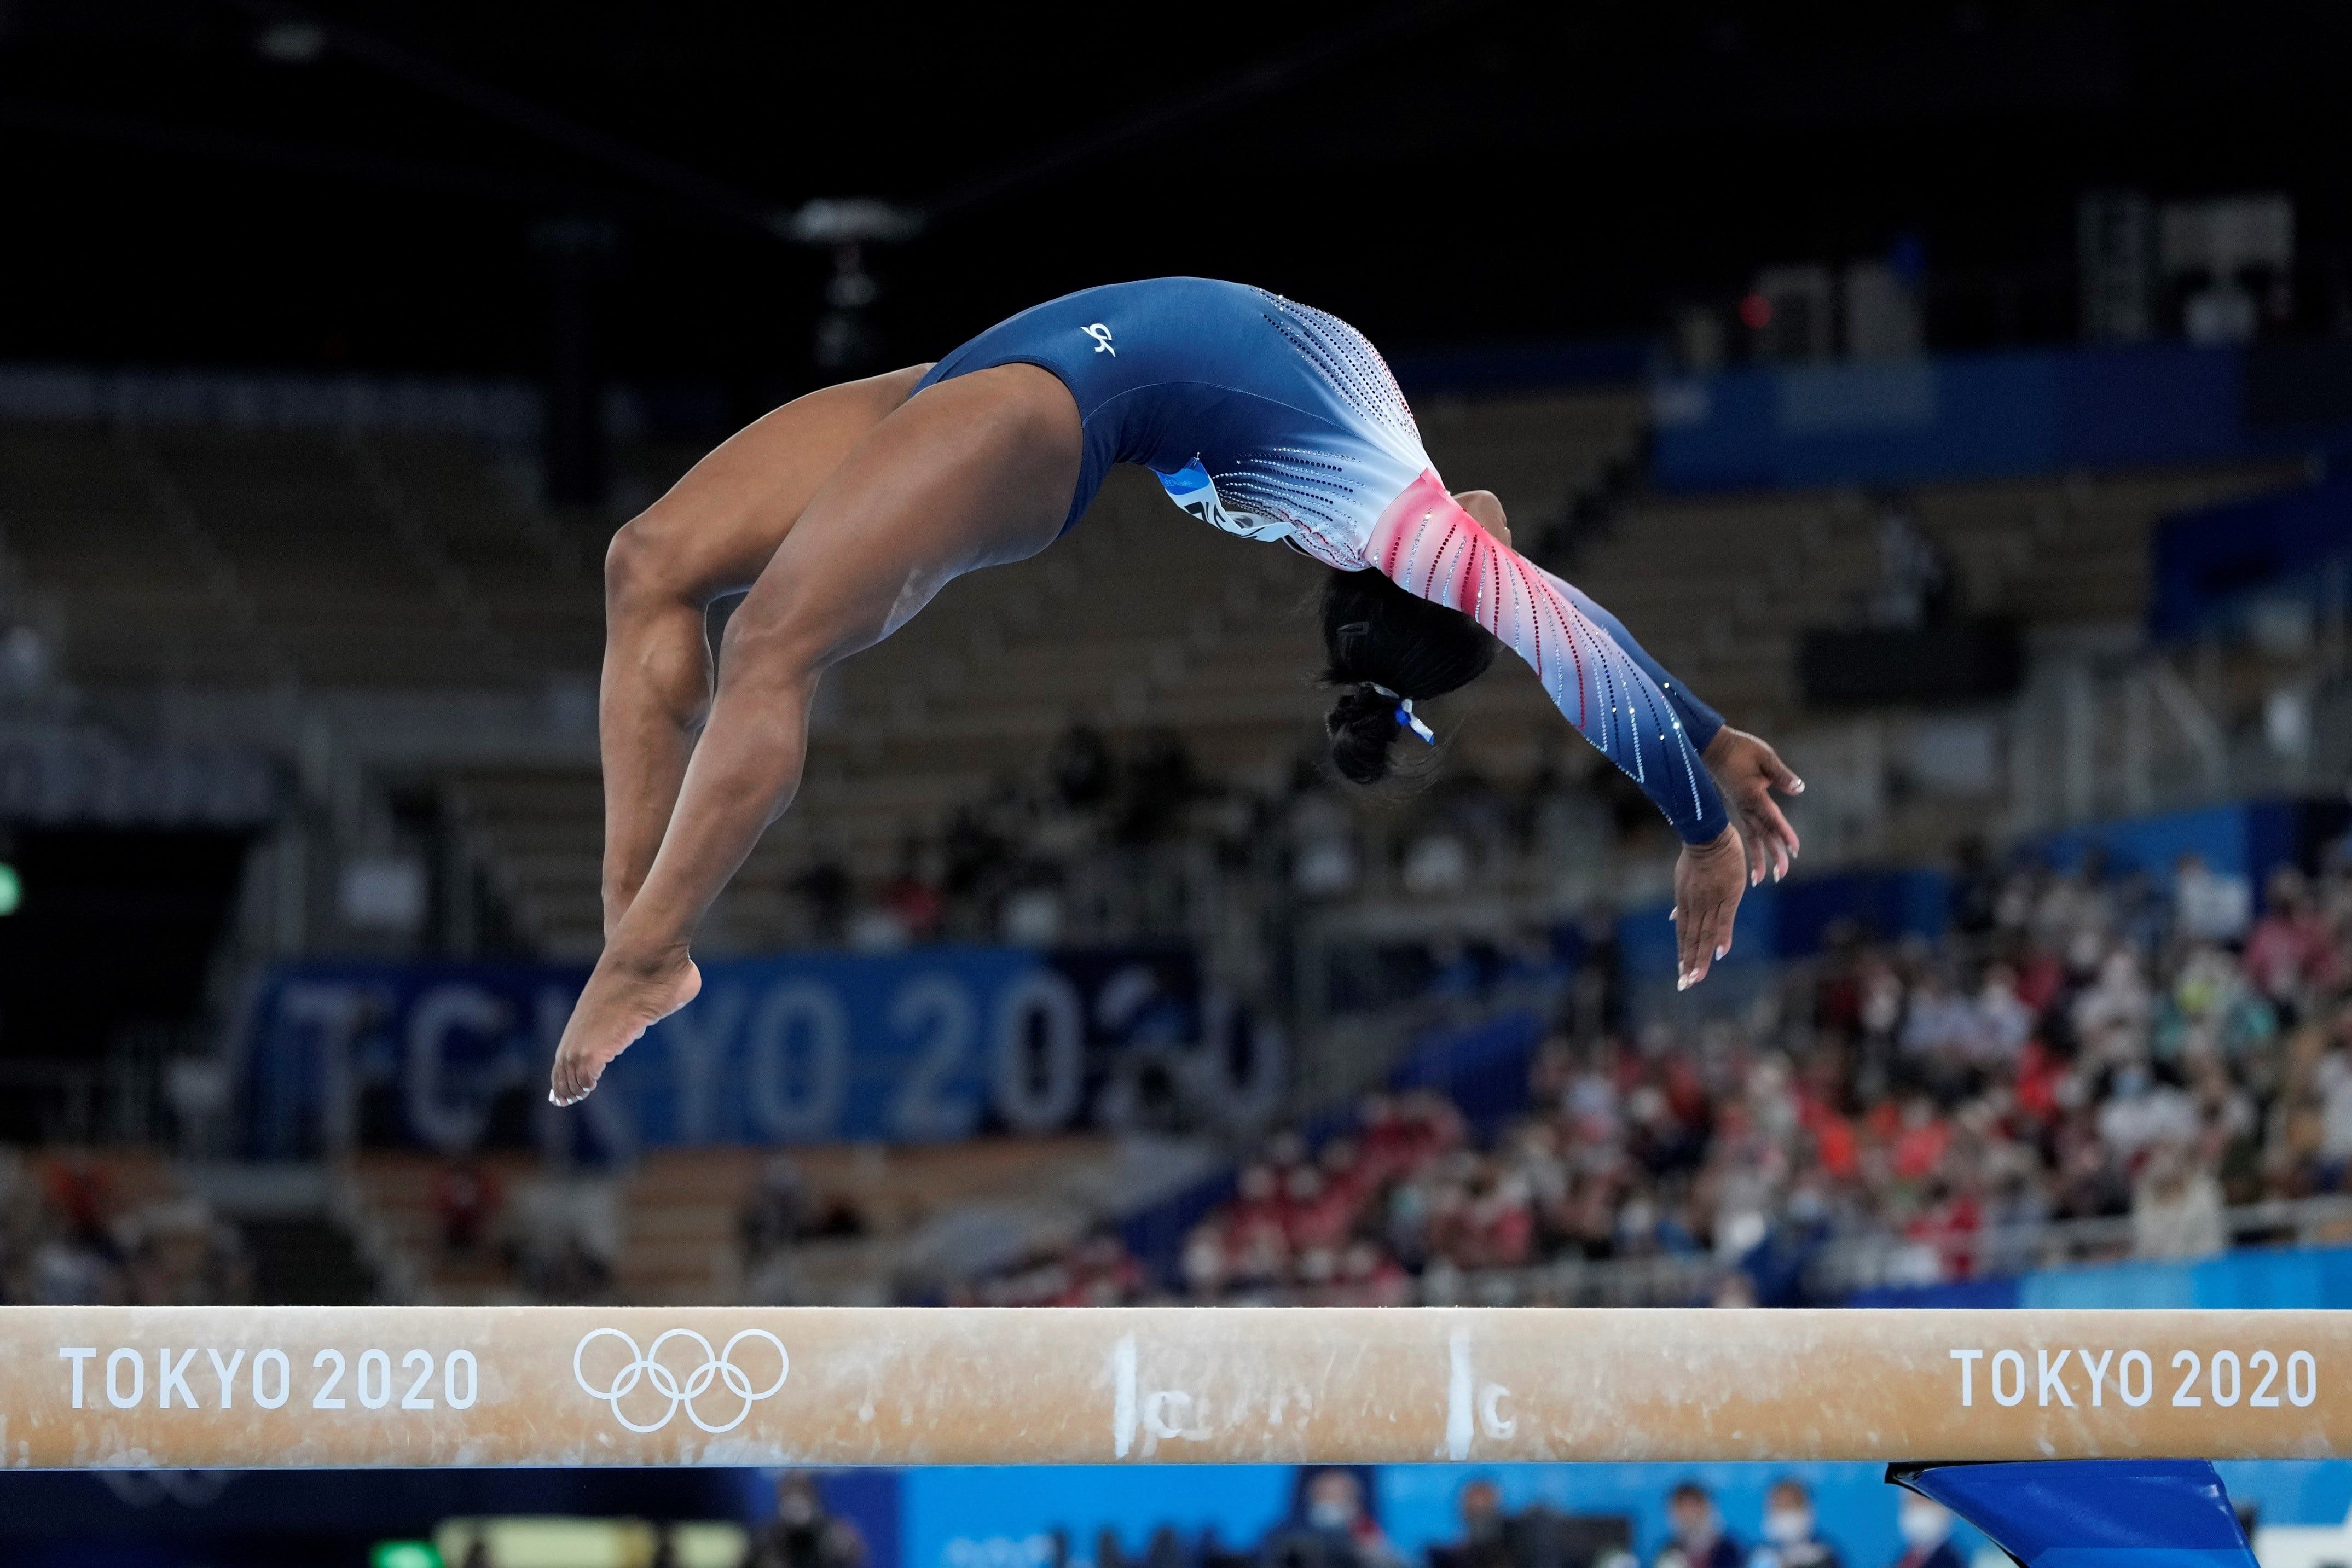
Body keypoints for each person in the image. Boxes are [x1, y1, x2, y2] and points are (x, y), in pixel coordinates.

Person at [550, 279, 1802, 1103]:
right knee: (648, 564)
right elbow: (1559, 610)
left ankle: (659, 950)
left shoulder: (1397, 518)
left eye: (1489, 570)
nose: (1506, 542)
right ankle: (633, 930)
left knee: (775, 642)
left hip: (1038, 415)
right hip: (980, 368)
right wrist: (1707, 727)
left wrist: (1699, 822)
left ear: (1442, 597)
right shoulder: (1391, 478)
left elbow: (1566, 637)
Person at [1748, 1480, 1840, 1568]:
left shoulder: (1823, 1555)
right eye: (1780, 1506)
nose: (1786, 1513)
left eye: (1793, 1505)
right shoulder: (1758, 1556)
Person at [1656, 1483, 1742, 1568]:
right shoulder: (1665, 1553)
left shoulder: (1732, 1551)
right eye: (1683, 1509)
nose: (1689, 1515)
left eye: (1695, 1507)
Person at [1886, 1496, 1962, 1568]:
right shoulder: (1905, 1558)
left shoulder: (1949, 1562)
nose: (1917, 1509)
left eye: (1925, 1501)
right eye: (1914, 1501)